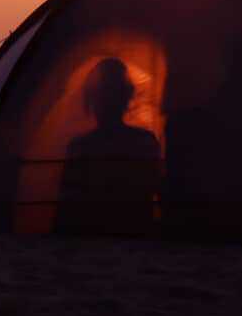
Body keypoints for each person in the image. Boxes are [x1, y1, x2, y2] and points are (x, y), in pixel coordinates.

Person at [54, 56, 163, 237]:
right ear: (127, 98)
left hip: (94, 235)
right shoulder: (144, 141)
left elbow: (66, 209)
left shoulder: (80, 147)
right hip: (138, 232)